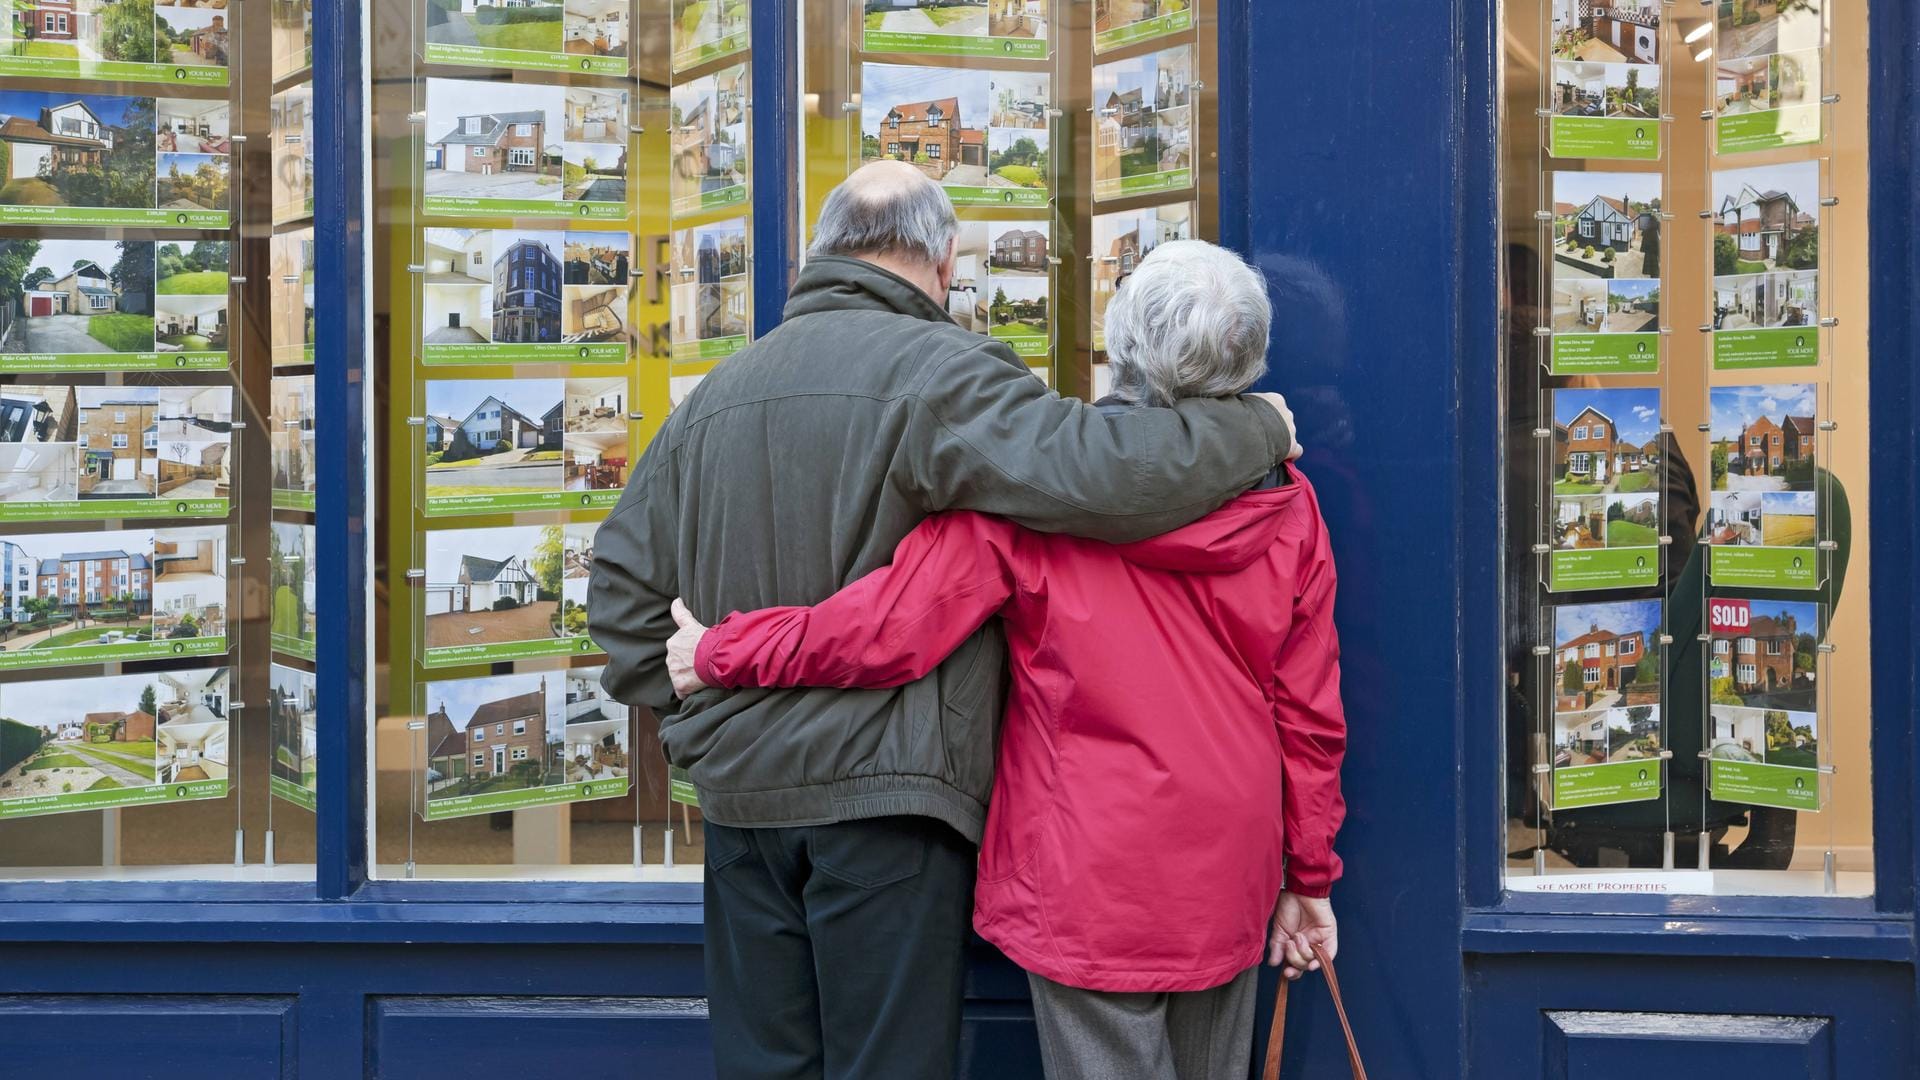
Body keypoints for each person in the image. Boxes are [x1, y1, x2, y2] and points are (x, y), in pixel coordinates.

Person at [588, 162, 1300, 1080]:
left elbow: (619, 595)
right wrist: (1259, 430)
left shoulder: (717, 394)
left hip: (741, 806)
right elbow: (1105, 473)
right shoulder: (945, 373)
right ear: (934, 261)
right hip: (887, 805)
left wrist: (704, 722)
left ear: (826, 253)